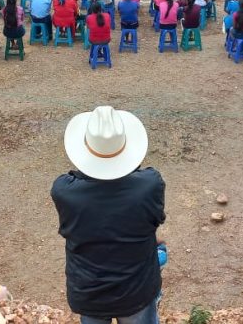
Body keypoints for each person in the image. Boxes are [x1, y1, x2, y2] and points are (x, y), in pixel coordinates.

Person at [51, 106, 164, 323]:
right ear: (126, 147)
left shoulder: (64, 191)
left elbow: (73, 178)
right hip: (136, 290)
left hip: (89, 293)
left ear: (85, 149)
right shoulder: (150, 185)